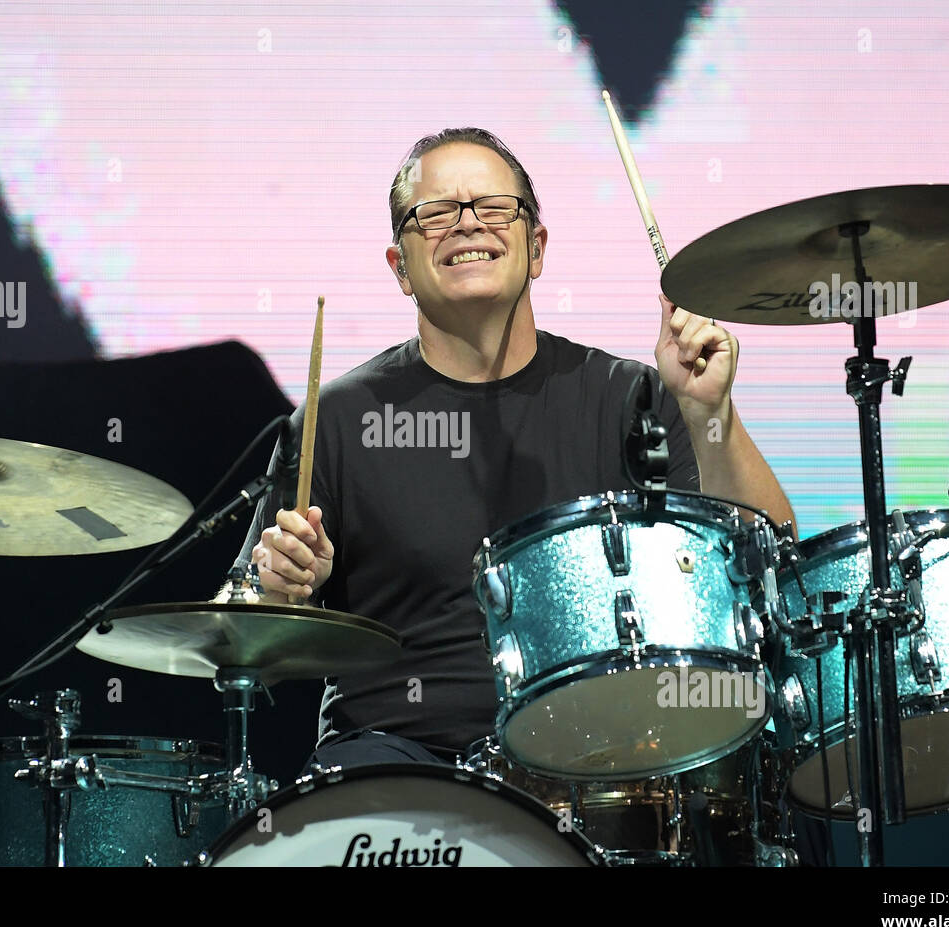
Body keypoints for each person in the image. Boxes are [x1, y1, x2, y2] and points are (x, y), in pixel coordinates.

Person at [226, 127, 796, 774]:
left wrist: (708, 413)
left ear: (538, 247)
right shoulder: (335, 420)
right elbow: (239, 636)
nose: (467, 225)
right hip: (390, 770)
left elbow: (770, 559)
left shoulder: (631, 397)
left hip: (596, 764)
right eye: (434, 213)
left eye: (494, 208)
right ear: (400, 268)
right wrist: (278, 593)